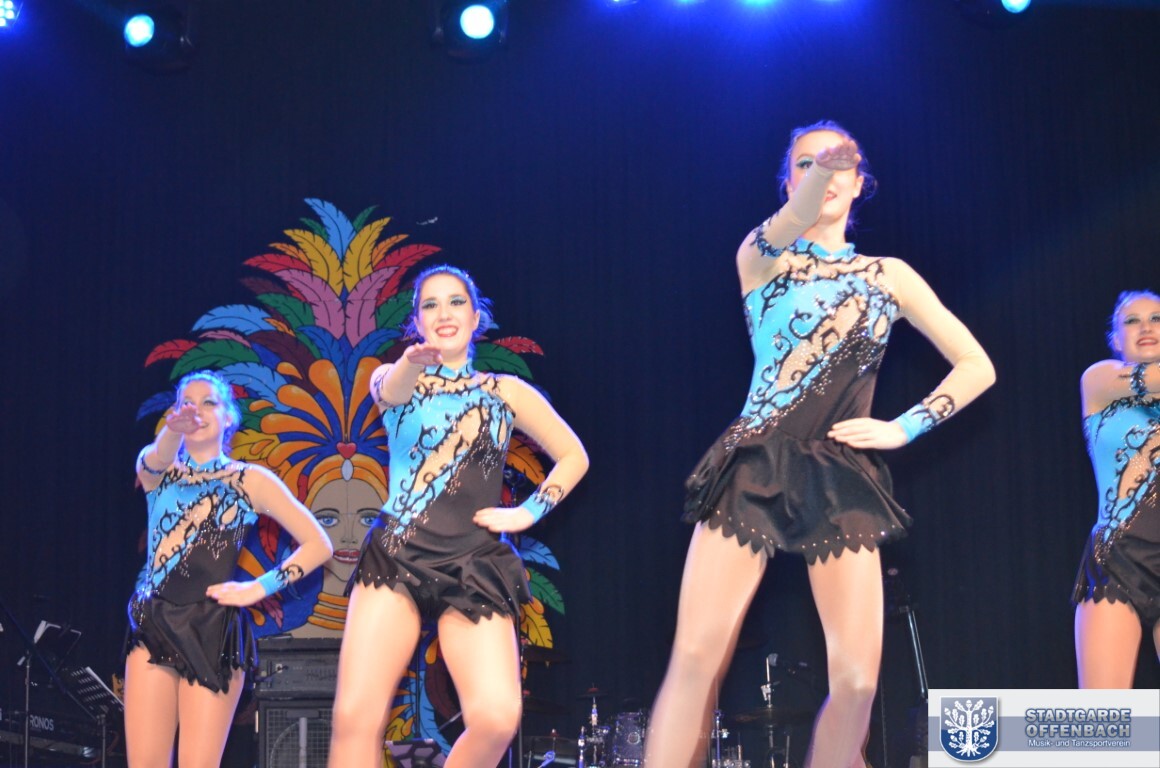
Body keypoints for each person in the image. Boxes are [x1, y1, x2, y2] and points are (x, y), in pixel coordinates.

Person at [644, 121, 995, 768]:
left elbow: (976, 365)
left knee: (858, 682)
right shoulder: (763, 257)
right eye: (805, 164)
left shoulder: (888, 275)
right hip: (757, 461)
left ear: (861, 184)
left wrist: (903, 427)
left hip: (840, 474)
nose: (823, 174)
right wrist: (824, 169)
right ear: (788, 183)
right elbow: (794, 218)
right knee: (696, 657)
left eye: (838, 165)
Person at [327, 264, 589, 768]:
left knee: (496, 717)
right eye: (430, 305)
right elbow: (393, 389)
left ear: (475, 318)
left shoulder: (506, 392)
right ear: (417, 322)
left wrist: (528, 512)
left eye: (455, 302)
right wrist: (410, 361)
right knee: (355, 718)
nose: (443, 313)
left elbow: (573, 455)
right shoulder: (393, 379)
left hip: (474, 561)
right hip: (398, 555)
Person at [125, 370, 333, 768]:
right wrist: (172, 430)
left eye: (209, 403)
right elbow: (155, 459)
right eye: (187, 403)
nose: (197, 411)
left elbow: (319, 544)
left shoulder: (250, 480)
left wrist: (259, 587)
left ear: (229, 418)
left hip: (213, 630)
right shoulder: (159, 472)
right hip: (154, 623)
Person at [1073, 289, 1160, 688]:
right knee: (1102, 715)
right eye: (1132, 321)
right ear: (1115, 338)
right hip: (1118, 559)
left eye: (1156, 319)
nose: (1146, 327)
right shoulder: (1100, 380)